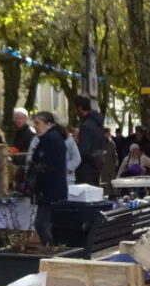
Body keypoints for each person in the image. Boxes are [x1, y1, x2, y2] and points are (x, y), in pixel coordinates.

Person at [28, 111, 67, 247]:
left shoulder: (49, 140)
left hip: (49, 190)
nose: (35, 126)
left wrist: (35, 186)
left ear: (48, 124)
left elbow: (43, 166)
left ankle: (52, 251)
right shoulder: (54, 138)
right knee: (46, 224)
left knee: (41, 224)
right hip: (54, 189)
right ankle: (52, 249)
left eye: (38, 123)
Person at [74, 96, 105, 185]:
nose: (75, 112)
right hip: (96, 166)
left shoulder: (85, 126)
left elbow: (84, 150)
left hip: (86, 169)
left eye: (76, 109)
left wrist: (76, 142)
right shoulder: (98, 124)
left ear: (80, 108)